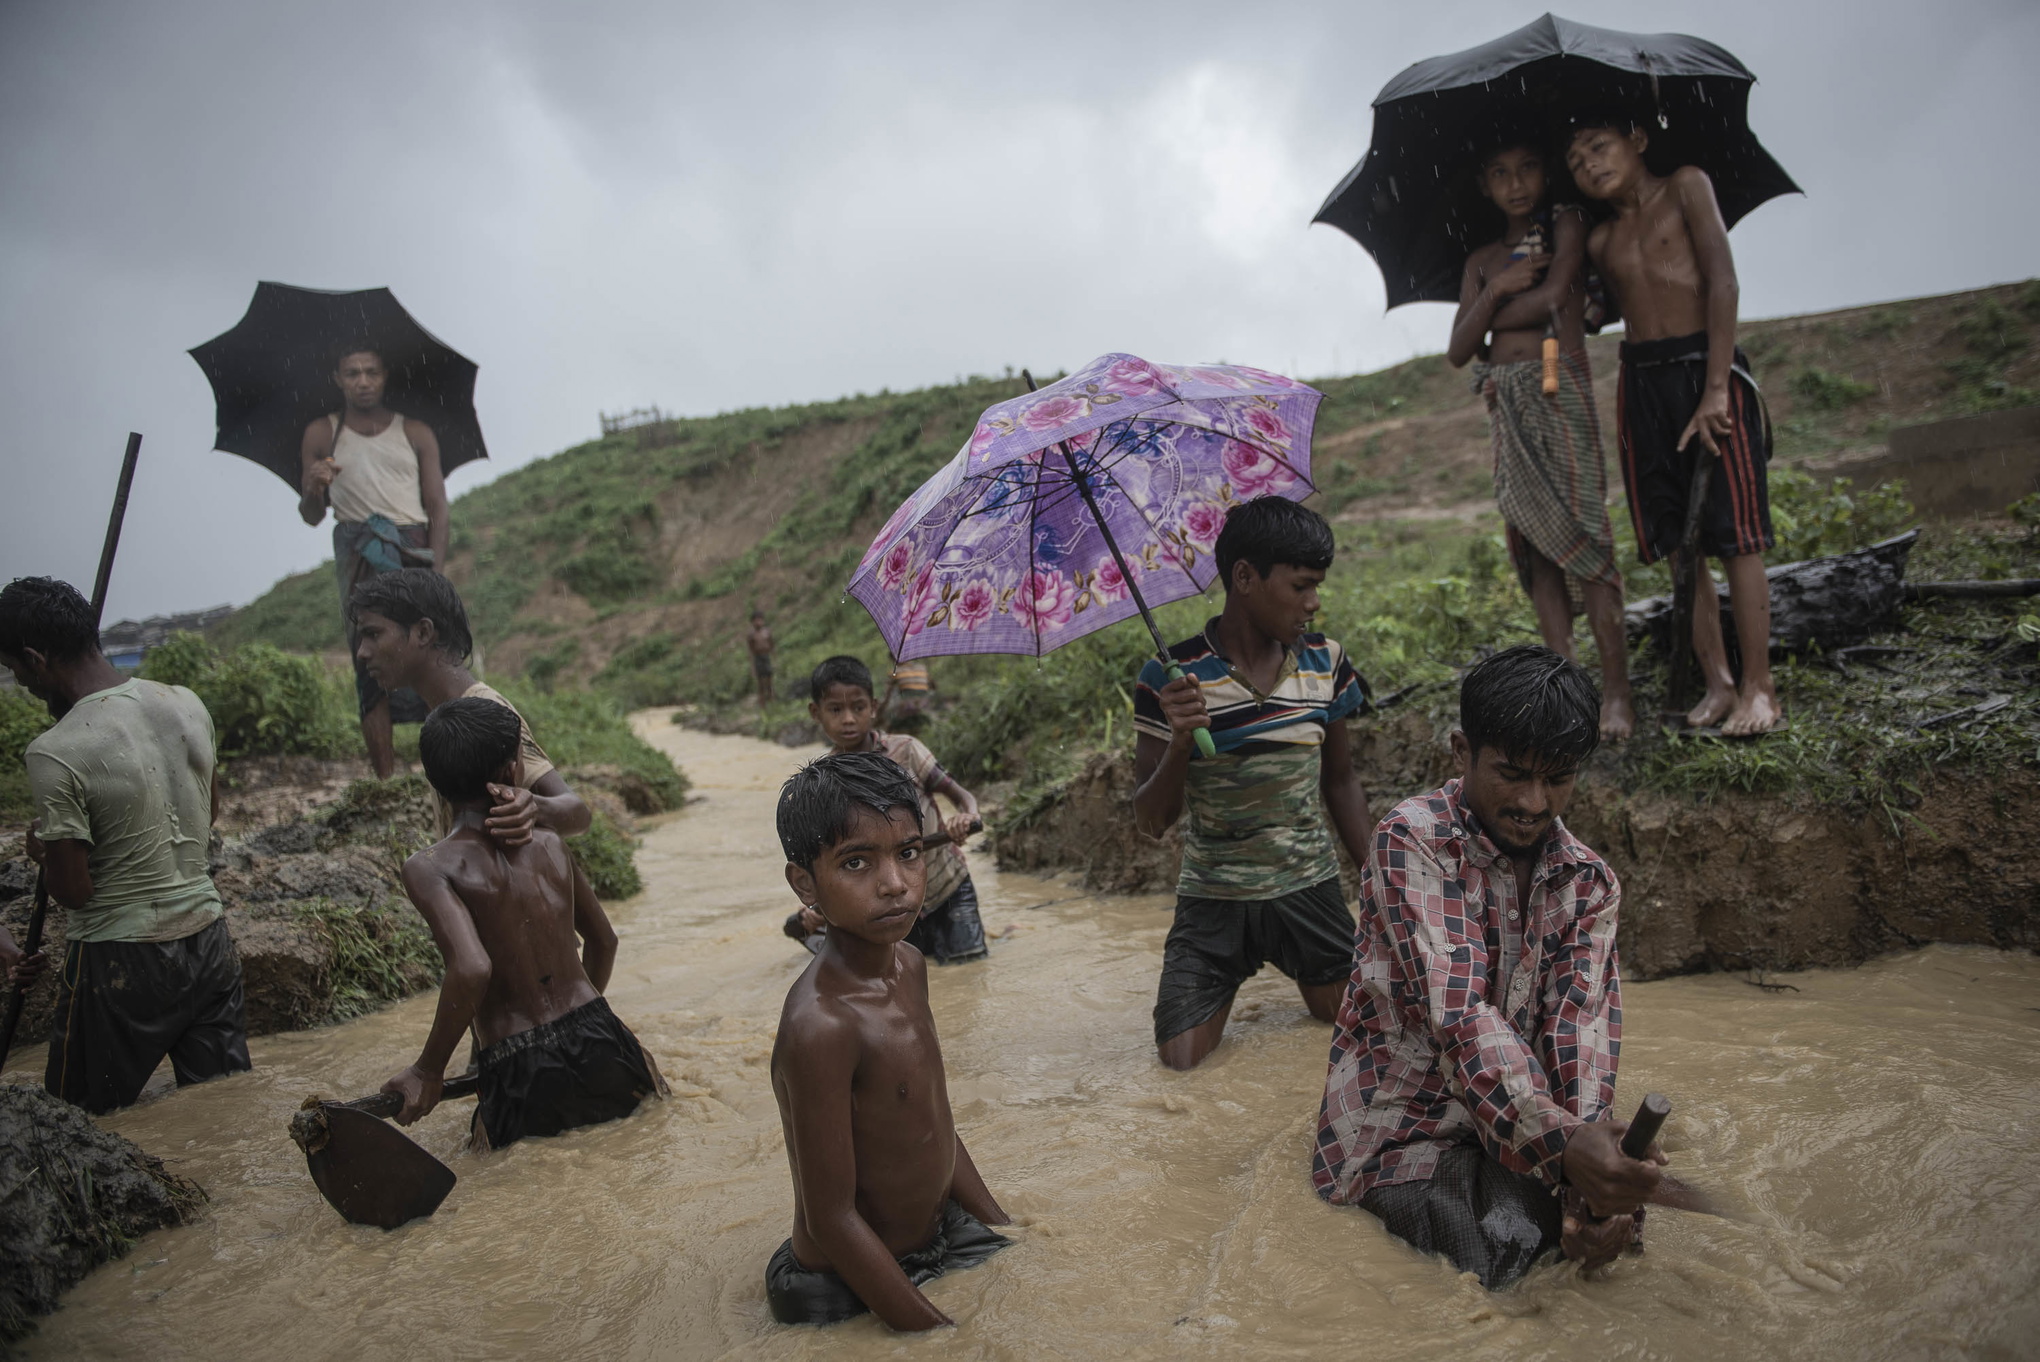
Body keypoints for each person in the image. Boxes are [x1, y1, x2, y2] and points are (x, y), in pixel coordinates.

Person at [1312, 645, 1663, 1289]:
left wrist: (1590, 1185)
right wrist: (1565, 1150)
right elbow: (1460, 1017)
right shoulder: (1411, 841)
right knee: (1509, 1268)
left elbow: (1580, 1032)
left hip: (1518, 1122)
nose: (1534, 801)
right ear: (1460, 752)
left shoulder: (1588, 882)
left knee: (1612, 1243)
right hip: (1402, 1129)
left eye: (1558, 778)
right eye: (1512, 773)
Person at [766, 751, 1011, 1329]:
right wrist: (936, 1332)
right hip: (840, 1278)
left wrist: (1004, 1226)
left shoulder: (911, 963)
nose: (895, 884)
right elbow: (830, 1219)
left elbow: (933, 1123)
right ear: (805, 882)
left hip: (933, 1236)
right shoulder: (821, 1025)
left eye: (907, 854)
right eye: (856, 863)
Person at [1132, 497, 1373, 1071]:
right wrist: (1181, 742)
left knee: (1363, 1038)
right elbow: (1150, 821)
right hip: (1213, 900)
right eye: (1300, 586)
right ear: (1245, 577)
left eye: (1318, 586)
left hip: (1310, 888)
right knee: (1179, 1065)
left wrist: (1381, 887)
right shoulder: (1169, 678)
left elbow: (1341, 783)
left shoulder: (1326, 662)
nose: (1313, 603)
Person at [0, 577, 250, 1114]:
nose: (19, 681)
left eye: (15, 671)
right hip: (209, 943)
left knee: (77, 1129)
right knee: (222, 1109)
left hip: (116, 961)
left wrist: (46, 853)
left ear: (34, 658)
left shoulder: (55, 749)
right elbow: (209, 814)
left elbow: (73, 892)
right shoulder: (184, 703)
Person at [1566, 114, 1781, 736]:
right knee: (1674, 538)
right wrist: (1577, 299)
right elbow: (1601, 311)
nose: (1590, 166)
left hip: (1704, 366)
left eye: (1599, 146)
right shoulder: (1602, 240)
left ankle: (1760, 688)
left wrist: (1717, 386)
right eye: (1577, 162)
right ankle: (1718, 684)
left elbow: (1723, 280)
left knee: (1735, 531)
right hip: (1643, 383)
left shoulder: (1687, 185)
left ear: (1636, 139)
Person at [379, 699, 664, 1149]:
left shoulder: (430, 867)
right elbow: (604, 941)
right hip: (601, 1035)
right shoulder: (551, 843)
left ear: (433, 780)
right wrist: (583, 1022)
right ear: (515, 770)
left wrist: (427, 1071)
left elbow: (472, 969)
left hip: (517, 1059)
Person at [1446, 138, 1634, 742]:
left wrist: (1488, 307)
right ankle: (1570, 691)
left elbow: (1557, 299)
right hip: (1507, 402)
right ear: (1484, 184)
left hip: (1559, 392)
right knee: (1535, 549)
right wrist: (1497, 288)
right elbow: (1457, 351)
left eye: (1528, 166)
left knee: (1587, 540)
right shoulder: (1481, 261)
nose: (1516, 182)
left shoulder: (1568, 225)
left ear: (1546, 171)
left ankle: (1617, 695)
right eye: (1500, 171)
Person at [348, 569, 590, 842]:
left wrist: (533, 807)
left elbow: (578, 813)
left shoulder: (482, 710)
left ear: (423, 632)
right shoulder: (444, 713)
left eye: (373, 634)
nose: (362, 652)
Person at [299, 346, 451, 777]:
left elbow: (438, 505)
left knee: (431, 653)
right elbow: (311, 516)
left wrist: (436, 573)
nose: (362, 381)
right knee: (369, 655)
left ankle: (442, 769)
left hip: (411, 547)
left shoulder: (416, 431)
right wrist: (313, 487)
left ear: (384, 376)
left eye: (370, 372)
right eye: (352, 373)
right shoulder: (322, 435)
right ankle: (384, 778)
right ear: (338, 378)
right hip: (357, 548)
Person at [787, 655, 986, 965]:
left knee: (970, 968)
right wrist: (818, 910)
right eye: (836, 710)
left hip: (947, 885)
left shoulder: (905, 750)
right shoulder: (827, 779)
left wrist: (967, 815)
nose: (849, 719)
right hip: (892, 905)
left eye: (858, 707)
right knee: (919, 976)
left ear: (874, 708)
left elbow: (960, 795)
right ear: (816, 713)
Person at [879, 658, 934, 733]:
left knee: (887, 722)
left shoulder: (895, 671)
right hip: (924, 704)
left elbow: (887, 694)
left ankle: (886, 736)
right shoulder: (921, 668)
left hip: (907, 704)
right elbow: (933, 686)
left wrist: (882, 708)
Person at [746, 611, 776, 705]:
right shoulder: (751, 635)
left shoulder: (767, 632)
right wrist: (752, 667)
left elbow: (772, 645)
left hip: (766, 656)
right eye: (756, 620)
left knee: (769, 680)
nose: (758, 622)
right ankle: (762, 703)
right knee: (761, 683)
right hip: (758, 658)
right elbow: (750, 651)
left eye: (760, 620)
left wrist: (775, 660)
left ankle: (772, 700)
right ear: (752, 622)